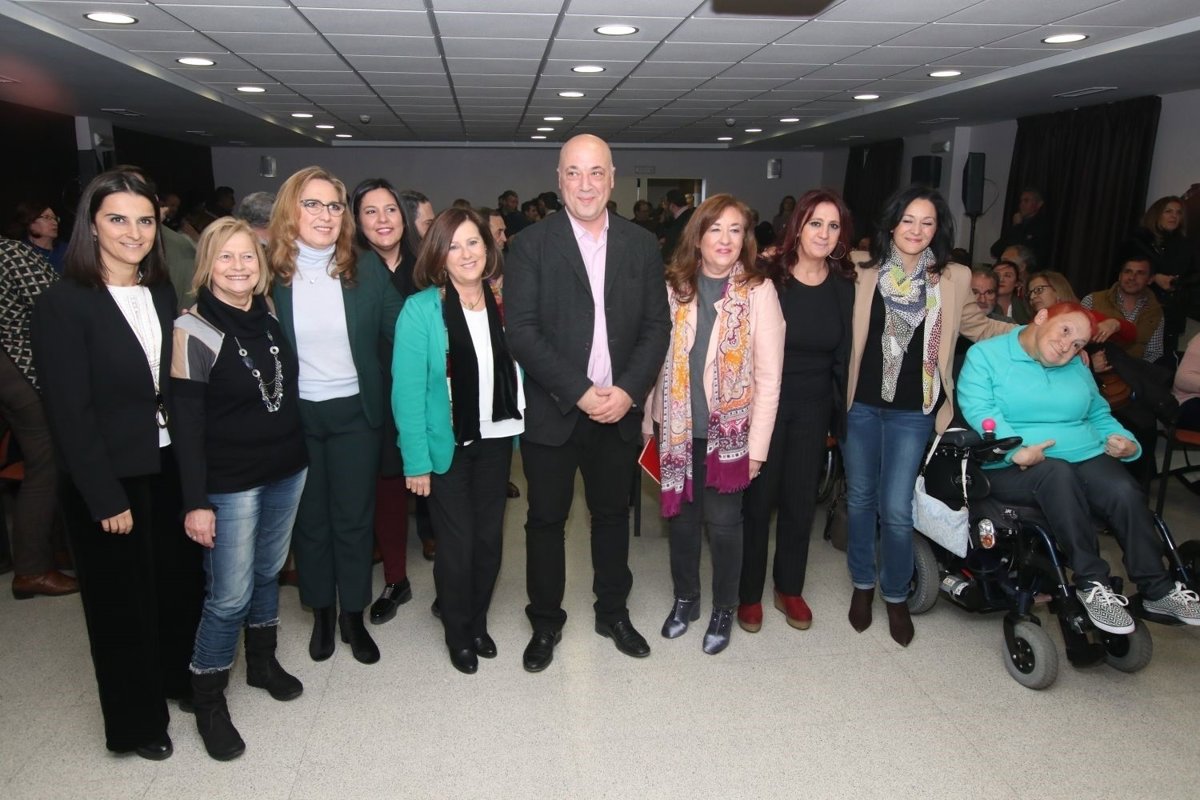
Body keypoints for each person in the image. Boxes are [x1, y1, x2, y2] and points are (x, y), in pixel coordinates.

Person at [32, 168, 204, 759]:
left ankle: (178, 679)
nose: (134, 232)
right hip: (108, 476)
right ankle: (136, 724)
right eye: (118, 219)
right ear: (91, 225)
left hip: (168, 462)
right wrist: (104, 495)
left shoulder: (160, 292)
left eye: (145, 220)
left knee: (177, 583)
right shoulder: (62, 305)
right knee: (120, 605)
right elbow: (69, 414)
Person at [506, 134, 671, 672]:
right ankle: (545, 622)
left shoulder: (641, 245)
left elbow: (657, 327)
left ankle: (613, 613)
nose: (585, 184)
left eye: (596, 172)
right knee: (545, 522)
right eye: (574, 173)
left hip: (617, 410)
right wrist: (579, 391)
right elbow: (522, 332)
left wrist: (627, 391)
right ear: (559, 180)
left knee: (611, 517)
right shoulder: (530, 244)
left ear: (612, 178)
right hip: (554, 410)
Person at [958, 301, 1200, 631]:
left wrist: (1125, 441)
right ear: (1041, 317)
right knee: (1058, 474)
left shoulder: (1074, 365)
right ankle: (1092, 584)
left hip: (1083, 453)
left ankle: (1156, 589)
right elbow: (981, 409)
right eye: (1065, 331)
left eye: (1078, 344)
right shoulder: (987, 356)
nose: (1066, 346)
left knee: (1124, 490)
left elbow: (1098, 413)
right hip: (1014, 463)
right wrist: (1015, 450)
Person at [843, 185, 1011, 646]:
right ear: (892, 223)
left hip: (913, 410)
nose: (916, 230)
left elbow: (979, 326)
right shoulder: (860, 267)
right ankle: (862, 584)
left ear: (938, 229)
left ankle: (896, 594)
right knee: (859, 499)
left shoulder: (952, 277)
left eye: (927, 222)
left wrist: (1035, 331)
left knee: (897, 508)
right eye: (908, 220)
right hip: (860, 405)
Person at [171, 217, 308, 760]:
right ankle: (208, 700)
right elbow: (185, 426)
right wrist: (196, 502)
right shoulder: (193, 329)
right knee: (228, 596)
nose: (238, 267)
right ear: (207, 264)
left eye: (247, 256)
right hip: (229, 483)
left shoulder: (267, 313)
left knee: (267, 572)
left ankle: (262, 662)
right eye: (225, 256)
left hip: (287, 468)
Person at [267, 166, 402, 665]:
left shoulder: (364, 269)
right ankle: (321, 612)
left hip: (355, 414)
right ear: (291, 210)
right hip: (296, 416)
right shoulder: (268, 273)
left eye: (334, 206)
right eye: (312, 204)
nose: (325, 215)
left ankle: (353, 616)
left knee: (353, 519)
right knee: (310, 521)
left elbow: (402, 325)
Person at [641, 193, 784, 656]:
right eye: (715, 229)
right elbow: (654, 360)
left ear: (745, 239)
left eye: (735, 230)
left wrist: (757, 449)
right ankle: (686, 598)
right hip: (677, 428)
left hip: (731, 435)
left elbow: (770, 378)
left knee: (724, 524)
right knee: (681, 521)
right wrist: (649, 423)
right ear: (697, 236)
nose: (725, 239)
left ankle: (724, 607)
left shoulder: (759, 292)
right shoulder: (673, 286)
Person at [392, 208, 524, 675]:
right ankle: (457, 631)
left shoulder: (505, 303)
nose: (466, 253)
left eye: (473, 242)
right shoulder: (421, 310)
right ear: (438, 254)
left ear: (487, 248)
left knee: (489, 541)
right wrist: (415, 462)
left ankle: (477, 620)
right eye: (454, 245)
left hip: (496, 438)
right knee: (458, 543)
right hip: (445, 444)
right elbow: (407, 392)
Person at [739, 189, 854, 634]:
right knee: (758, 502)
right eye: (815, 223)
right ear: (798, 227)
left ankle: (789, 587)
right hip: (765, 404)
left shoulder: (844, 286)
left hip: (815, 407)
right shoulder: (768, 276)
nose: (824, 233)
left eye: (833, 226)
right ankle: (749, 593)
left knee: (800, 502)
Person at [350, 177, 417, 624]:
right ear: (356, 221)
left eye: (390, 209)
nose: (382, 220)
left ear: (403, 217)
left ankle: (453, 583)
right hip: (369, 397)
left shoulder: (428, 266)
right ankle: (396, 578)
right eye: (370, 211)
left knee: (440, 487)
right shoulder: (347, 272)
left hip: (424, 395)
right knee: (385, 487)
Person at [0, 239, 77, 599]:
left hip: (10, 371)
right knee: (44, 467)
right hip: (20, 368)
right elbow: (55, 302)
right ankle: (31, 569)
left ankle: (53, 550)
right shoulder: (9, 252)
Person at [1081, 248, 1164, 364]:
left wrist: (1134, 371)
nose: (1132, 277)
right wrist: (1090, 364)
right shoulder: (1092, 300)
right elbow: (1075, 340)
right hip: (1093, 368)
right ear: (1120, 276)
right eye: (1128, 271)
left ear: (1150, 279)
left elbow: (1154, 353)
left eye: (1140, 273)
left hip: (1135, 371)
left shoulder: (1155, 312)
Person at [1135, 196, 1194, 356]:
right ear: (1157, 214)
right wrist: (1154, 278)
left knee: (1166, 357)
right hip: (1142, 307)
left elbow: (1194, 274)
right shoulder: (1140, 241)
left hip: (1172, 310)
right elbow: (1126, 271)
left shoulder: (1186, 244)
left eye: (1178, 212)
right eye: (1168, 211)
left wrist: (1177, 282)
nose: (1174, 216)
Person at [990, 186, 1051, 268]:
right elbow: (995, 250)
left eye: (1026, 201)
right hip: (1007, 267)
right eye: (1021, 201)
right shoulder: (1016, 223)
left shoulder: (1042, 226)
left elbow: (1026, 252)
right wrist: (1015, 227)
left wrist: (1018, 227)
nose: (1021, 204)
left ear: (1039, 204)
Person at [14, 200, 68, 272]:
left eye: (55, 219)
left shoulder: (68, 250)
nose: (54, 223)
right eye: (47, 217)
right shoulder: (19, 252)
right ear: (30, 221)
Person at [660, 188, 695, 261]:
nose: (664, 208)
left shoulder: (681, 222)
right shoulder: (692, 216)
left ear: (672, 205)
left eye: (665, 204)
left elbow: (670, 251)